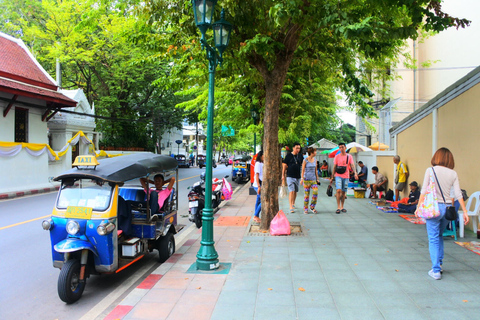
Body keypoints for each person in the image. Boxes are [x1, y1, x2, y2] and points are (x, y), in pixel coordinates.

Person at [415, 147, 469, 280]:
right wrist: (465, 211)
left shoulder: (430, 170)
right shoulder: (453, 173)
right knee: (439, 235)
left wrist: (418, 207)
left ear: (437, 157)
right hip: (447, 209)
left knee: (433, 238)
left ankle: (436, 270)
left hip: (433, 208)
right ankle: (439, 264)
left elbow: (423, 191)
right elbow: (458, 194)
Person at [331, 143, 357, 214]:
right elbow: (334, 166)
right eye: (340, 147)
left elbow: (352, 165)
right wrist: (332, 176)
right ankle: (338, 207)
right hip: (338, 175)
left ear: (345, 148)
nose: (341, 149)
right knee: (338, 190)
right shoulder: (337, 156)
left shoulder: (349, 156)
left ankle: (342, 206)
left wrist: (355, 173)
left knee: (343, 192)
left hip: (346, 176)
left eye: (342, 147)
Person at [282, 142, 303, 213]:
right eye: (296, 148)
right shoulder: (289, 156)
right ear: (293, 148)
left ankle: (293, 202)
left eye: (299, 148)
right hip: (290, 176)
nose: (298, 150)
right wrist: (283, 175)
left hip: (297, 176)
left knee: (295, 191)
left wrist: (303, 176)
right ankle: (290, 206)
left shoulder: (300, 156)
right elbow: (284, 165)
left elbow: (302, 165)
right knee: (291, 190)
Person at [300, 147, 319, 214]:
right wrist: (302, 178)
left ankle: (312, 206)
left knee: (315, 192)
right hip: (306, 180)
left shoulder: (315, 160)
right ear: (312, 152)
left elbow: (316, 170)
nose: (316, 153)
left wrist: (317, 179)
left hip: (313, 179)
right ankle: (305, 208)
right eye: (315, 151)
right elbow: (302, 170)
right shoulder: (305, 160)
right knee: (306, 195)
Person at [252, 151, 263, 223]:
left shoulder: (262, 163)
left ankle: (256, 217)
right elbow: (257, 175)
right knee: (264, 199)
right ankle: (256, 215)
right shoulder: (258, 164)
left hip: (260, 184)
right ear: (261, 156)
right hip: (258, 185)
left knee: (258, 200)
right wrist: (259, 186)